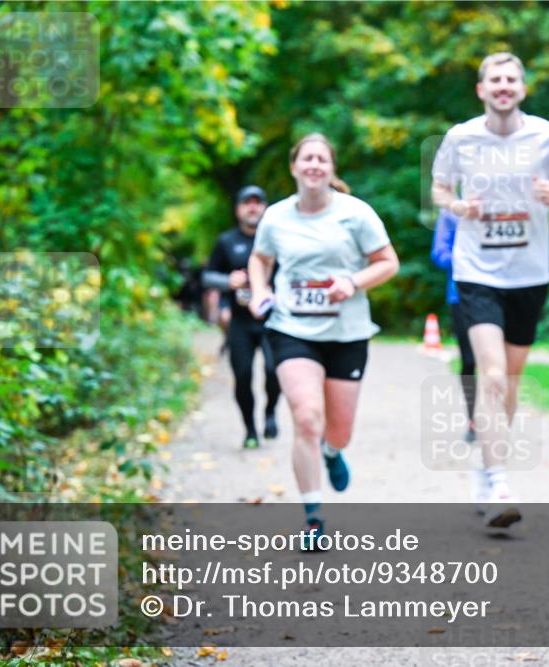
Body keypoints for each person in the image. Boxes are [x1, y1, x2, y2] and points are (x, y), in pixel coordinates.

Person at [431, 52, 549, 527]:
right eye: (494, 79)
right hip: (476, 272)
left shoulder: (547, 136)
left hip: (528, 274)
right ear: (481, 90)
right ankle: (498, 481)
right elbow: (438, 189)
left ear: (522, 88)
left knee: (510, 382)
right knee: (492, 376)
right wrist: (459, 207)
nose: (502, 86)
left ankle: (485, 468)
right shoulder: (460, 138)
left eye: (510, 79)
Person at [248, 133, 399, 548]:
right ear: (295, 167)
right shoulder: (276, 217)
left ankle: (333, 454)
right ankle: (314, 518)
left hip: (347, 333)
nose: (314, 164)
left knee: (339, 431)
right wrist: (260, 292)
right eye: (307, 158)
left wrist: (352, 281)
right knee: (307, 417)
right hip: (291, 329)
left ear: (331, 169)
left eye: (322, 159)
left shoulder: (356, 214)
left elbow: (388, 263)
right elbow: (260, 259)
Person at [203, 185, 282, 449]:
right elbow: (207, 276)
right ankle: (250, 429)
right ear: (238, 209)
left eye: (258, 203)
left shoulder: (278, 239)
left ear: (265, 208)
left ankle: (270, 412)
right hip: (240, 322)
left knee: (275, 371)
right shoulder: (227, 242)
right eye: (247, 203)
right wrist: (228, 281)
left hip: (273, 320)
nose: (253, 207)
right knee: (243, 375)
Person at [429, 208, 477, 444]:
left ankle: (494, 416)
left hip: (502, 295)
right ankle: (473, 419)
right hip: (461, 296)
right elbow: (439, 254)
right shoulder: (450, 214)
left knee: (499, 360)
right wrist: (470, 254)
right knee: (470, 360)